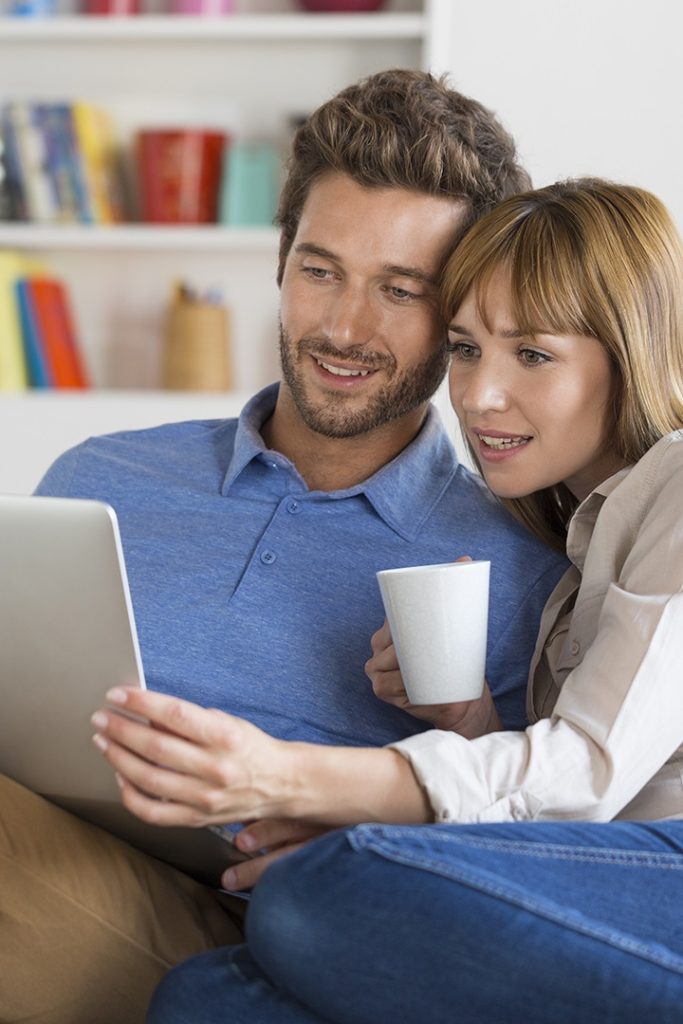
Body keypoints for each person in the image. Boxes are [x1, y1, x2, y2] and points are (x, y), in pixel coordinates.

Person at [0, 70, 567, 1024]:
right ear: (279, 263)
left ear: (462, 315)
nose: (345, 328)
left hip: (256, 932)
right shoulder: (98, 476)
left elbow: (533, 850)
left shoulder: (521, 562)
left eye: (400, 289)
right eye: (320, 270)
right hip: (42, 840)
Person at [91, 177, 683, 1023]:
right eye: (467, 349)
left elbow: (585, 775)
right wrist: (469, 720)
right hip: (599, 872)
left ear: (626, 350)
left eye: (534, 354)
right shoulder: (575, 548)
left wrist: (287, 778)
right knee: (206, 998)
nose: (478, 396)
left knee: (315, 890)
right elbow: (562, 799)